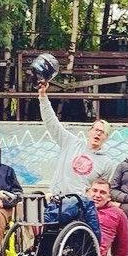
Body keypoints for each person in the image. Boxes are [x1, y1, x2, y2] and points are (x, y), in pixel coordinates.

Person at [38, 81, 108, 239]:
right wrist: (43, 96)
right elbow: (52, 123)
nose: (98, 134)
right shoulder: (71, 142)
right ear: (89, 131)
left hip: (80, 203)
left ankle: (94, 247)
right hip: (58, 197)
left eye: (102, 132)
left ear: (106, 138)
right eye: (96, 130)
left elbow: (101, 189)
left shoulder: (106, 162)